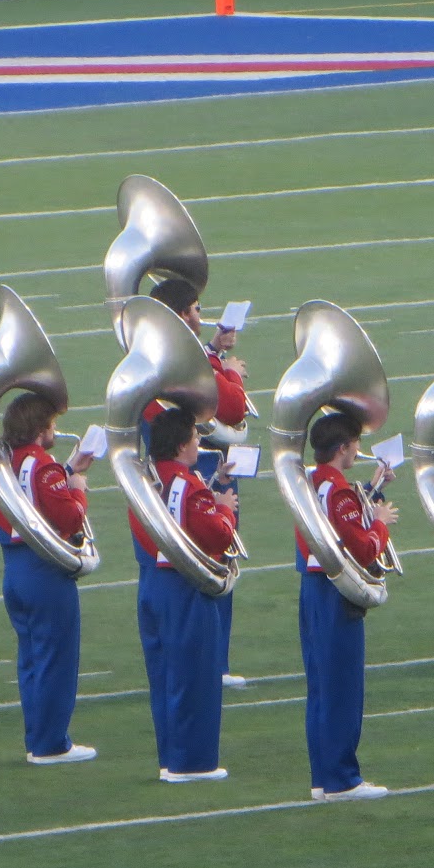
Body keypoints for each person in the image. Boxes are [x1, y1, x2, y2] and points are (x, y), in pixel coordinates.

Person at [147, 277, 250, 688]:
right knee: (214, 558)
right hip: (196, 467)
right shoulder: (188, 361)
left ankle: (192, 659)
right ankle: (212, 663)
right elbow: (233, 405)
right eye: (192, 310)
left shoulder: (166, 354)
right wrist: (229, 371)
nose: (197, 317)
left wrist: (213, 351)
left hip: (174, 470)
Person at [296, 411, 399, 800]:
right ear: (343, 448)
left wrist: (371, 492)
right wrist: (381, 522)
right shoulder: (337, 490)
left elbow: (336, 525)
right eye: (355, 443)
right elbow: (361, 545)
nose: (359, 449)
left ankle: (323, 778)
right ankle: (342, 779)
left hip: (313, 587)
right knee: (341, 688)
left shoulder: (313, 481)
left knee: (322, 688)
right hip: (334, 590)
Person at [133, 406, 239, 781]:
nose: (199, 442)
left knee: (164, 677)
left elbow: (172, 518)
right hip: (185, 587)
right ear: (181, 445)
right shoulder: (189, 484)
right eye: (194, 436)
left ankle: (170, 756)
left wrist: (211, 487)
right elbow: (216, 535)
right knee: (195, 676)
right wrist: (224, 509)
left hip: (152, 581)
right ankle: (192, 763)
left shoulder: (147, 477)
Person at [0, 393, 96, 765]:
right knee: (56, 658)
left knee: (32, 660)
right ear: (40, 429)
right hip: (44, 572)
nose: (55, 429)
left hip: (15, 569)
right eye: (51, 424)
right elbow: (68, 518)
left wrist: (67, 470)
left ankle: (38, 738)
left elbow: (29, 494)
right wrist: (78, 490)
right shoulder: (42, 465)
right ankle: (52, 744)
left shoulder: (5, 464)